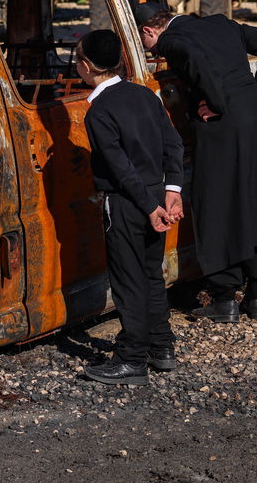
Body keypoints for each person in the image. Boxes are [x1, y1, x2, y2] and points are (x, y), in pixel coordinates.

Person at [133, 1, 257, 323]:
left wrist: (217, 104)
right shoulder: (221, 23)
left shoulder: (171, 40)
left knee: (218, 204)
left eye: (144, 41)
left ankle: (225, 298)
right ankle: (255, 297)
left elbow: (198, 61)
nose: (149, 49)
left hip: (223, 127)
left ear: (149, 30)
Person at [75, 29, 185, 386]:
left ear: (87, 66)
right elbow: (173, 143)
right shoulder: (145, 95)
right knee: (152, 274)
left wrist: (149, 207)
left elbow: (120, 168)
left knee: (128, 280)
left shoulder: (98, 112)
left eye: (77, 59)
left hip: (126, 202)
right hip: (155, 193)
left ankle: (132, 357)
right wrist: (172, 191)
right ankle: (161, 346)